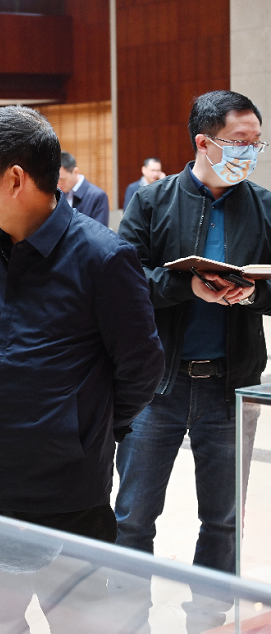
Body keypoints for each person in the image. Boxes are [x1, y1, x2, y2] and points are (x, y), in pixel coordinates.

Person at [0, 105, 164, 633]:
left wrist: (88, 429)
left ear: (16, 179)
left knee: (79, 624)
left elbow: (141, 367)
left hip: (65, 488)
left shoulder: (102, 257)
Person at [115, 90, 270, 633]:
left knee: (223, 519)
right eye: (239, 142)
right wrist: (186, 287)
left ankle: (209, 620)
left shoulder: (264, 205)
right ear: (204, 142)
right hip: (156, 384)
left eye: (257, 143)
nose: (250, 153)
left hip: (232, 385)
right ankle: (128, 619)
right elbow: (123, 282)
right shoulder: (152, 201)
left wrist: (251, 292)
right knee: (134, 513)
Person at [58, 151, 110, 225]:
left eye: (62, 180)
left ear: (75, 172)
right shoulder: (58, 194)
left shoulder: (97, 196)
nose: (58, 184)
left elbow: (99, 229)